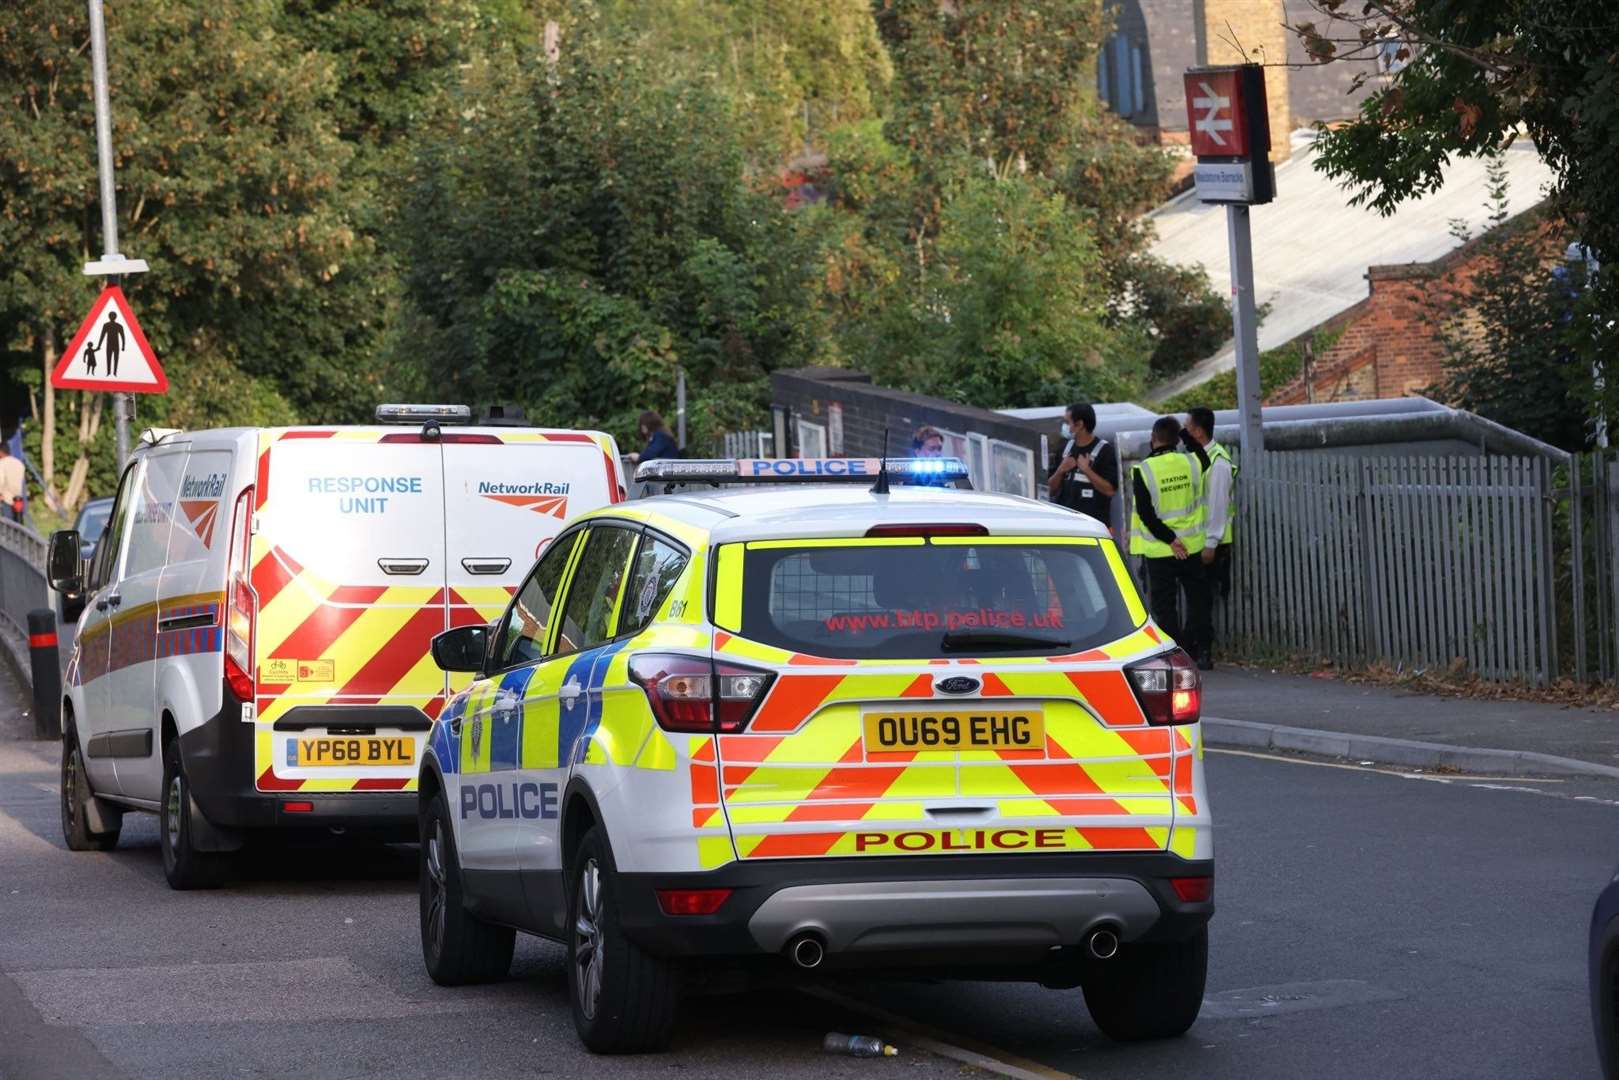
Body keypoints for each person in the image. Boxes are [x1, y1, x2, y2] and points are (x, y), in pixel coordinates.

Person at [1129, 416, 1212, 668]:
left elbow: (1146, 514)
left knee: (1165, 607)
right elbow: (1203, 453)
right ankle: (1204, 653)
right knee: (1198, 600)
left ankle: (1175, 659)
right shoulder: (1193, 462)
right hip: (1192, 547)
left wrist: (1170, 540)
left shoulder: (1143, 470)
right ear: (1178, 439)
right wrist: (1186, 434)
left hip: (1160, 550)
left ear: (1153, 439)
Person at [1184, 407, 1236, 608]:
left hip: (1210, 545)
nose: (1183, 432)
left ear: (1198, 431)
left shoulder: (1217, 462)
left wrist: (1211, 543)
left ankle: (1202, 639)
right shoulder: (1197, 458)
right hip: (1197, 541)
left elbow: (1218, 504)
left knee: (1202, 602)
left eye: (1187, 427)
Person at [1047, 402, 1118, 528]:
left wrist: (1087, 470)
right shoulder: (1065, 449)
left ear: (1079, 424)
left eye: (1067, 422)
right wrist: (1061, 470)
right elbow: (1050, 491)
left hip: (1094, 527)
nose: (1065, 427)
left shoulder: (1105, 451)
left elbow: (1109, 491)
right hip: (1065, 524)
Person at [0, 444, 26, 523]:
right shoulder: (19, 463)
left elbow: (0, 481)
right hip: (18, 499)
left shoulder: (2, 463)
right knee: (18, 524)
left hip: (5, 498)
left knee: (7, 525)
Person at [97, 309, 125, 378]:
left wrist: (123, 346)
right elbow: (102, 335)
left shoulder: (119, 326)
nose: (112, 317)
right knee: (109, 358)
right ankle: (109, 372)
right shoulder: (106, 325)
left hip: (115, 345)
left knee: (115, 358)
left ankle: (114, 373)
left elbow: (122, 336)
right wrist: (99, 345)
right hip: (110, 344)